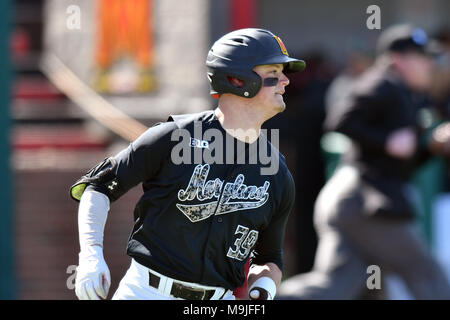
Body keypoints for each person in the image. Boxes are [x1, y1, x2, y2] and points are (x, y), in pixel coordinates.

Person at [69, 28, 305, 300]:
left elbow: (269, 257)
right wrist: (90, 254)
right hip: (147, 292)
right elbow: (98, 187)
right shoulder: (173, 137)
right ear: (236, 79)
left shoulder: (277, 172)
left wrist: (264, 288)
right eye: (274, 73)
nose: (285, 81)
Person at [277, 24, 450, 300]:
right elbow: (340, 119)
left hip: (350, 200)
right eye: (422, 58)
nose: (429, 65)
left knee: (336, 285)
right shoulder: (383, 82)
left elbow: (401, 160)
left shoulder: (406, 93)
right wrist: (385, 141)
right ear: (398, 60)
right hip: (364, 198)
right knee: (428, 275)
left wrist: (430, 145)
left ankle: (261, 300)